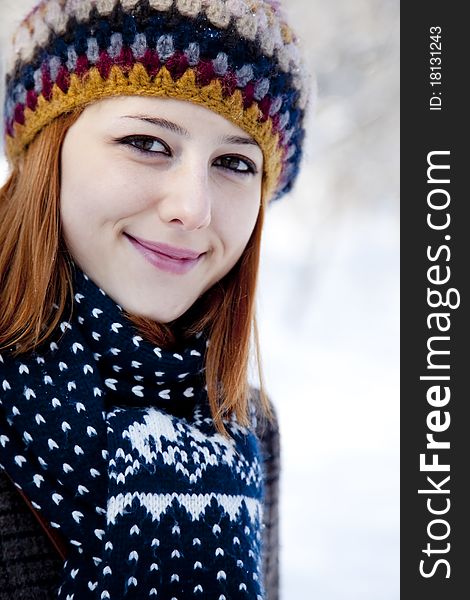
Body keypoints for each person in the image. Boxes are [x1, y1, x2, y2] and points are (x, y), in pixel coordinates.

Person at [0, 1, 308, 598]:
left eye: (234, 162)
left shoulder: (245, 426)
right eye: (147, 142)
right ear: (48, 152)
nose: (192, 209)